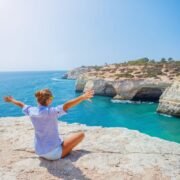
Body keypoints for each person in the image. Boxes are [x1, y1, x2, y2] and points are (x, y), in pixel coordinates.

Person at [3, 88, 94, 160]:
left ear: (37, 100)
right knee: (80, 135)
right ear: (49, 100)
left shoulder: (32, 110)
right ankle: (64, 152)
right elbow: (66, 106)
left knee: (63, 139)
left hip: (39, 151)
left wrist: (12, 100)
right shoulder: (52, 112)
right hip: (53, 154)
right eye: (52, 98)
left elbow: (21, 105)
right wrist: (82, 97)